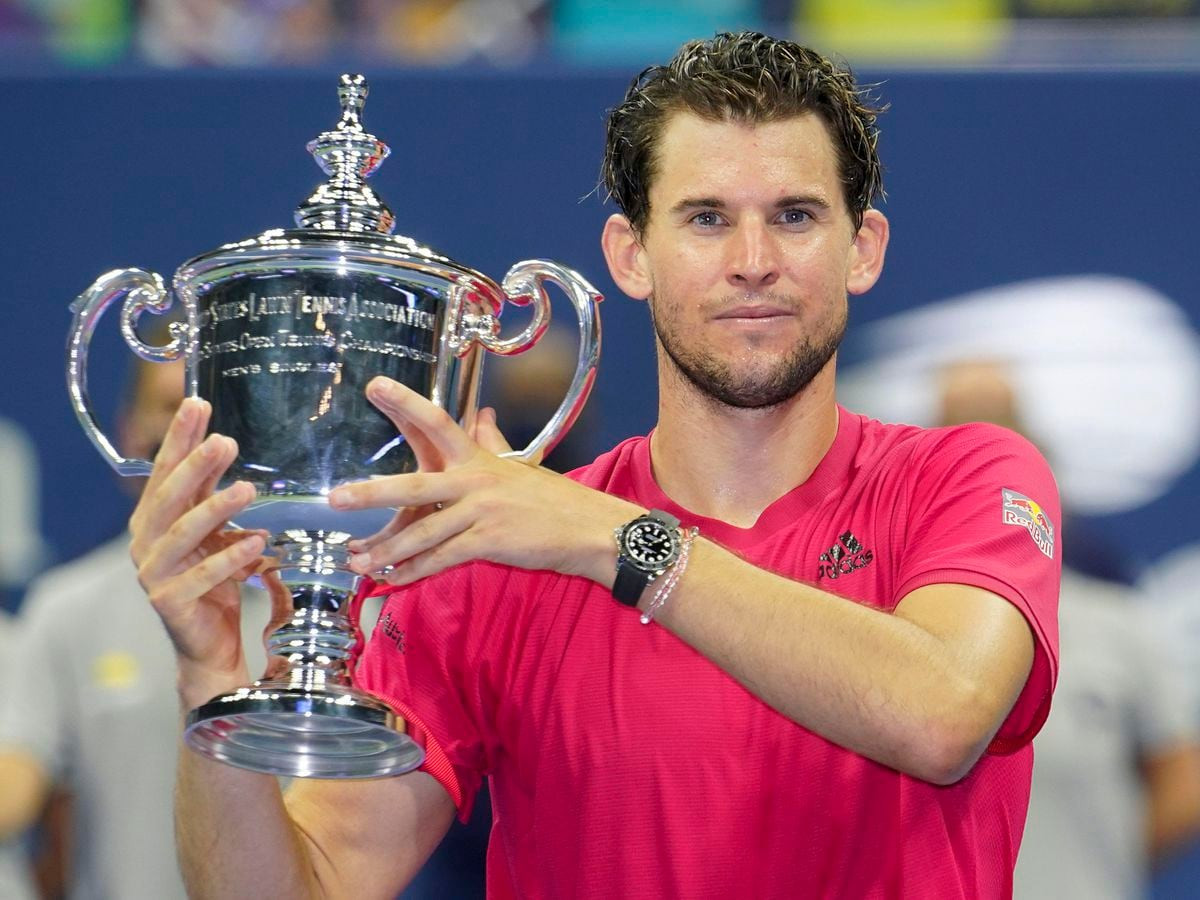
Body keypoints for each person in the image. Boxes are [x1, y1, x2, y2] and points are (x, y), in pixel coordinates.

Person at [129, 32, 1061, 898]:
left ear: (863, 250)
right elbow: (308, 884)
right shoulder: (500, 553)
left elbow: (942, 714)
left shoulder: (968, 478)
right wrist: (211, 687)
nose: (752, 261)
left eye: (795, 216)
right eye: (704, 218)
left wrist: (613, 540)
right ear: (630, 254)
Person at [0, 357, 273, 900]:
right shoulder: (66, 607)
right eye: (174, 407)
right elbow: (14, 785)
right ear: (126, 431)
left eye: (217, 410)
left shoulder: (332, 608)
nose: (194, 432)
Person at [935, 358, 1200, 899]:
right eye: (962, 448)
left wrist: (1102, 869)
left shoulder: (1116, 623)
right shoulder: (873, 617)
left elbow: (1183, 779)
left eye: (1002, 445)